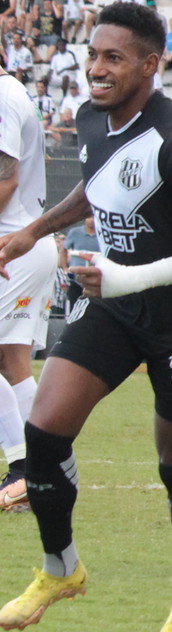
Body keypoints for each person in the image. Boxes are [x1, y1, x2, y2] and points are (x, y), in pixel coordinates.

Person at [0, 4, 172, 632]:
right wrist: (33, 231)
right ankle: (61, 568)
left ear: (149, 64)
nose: (97, 68)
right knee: (44, 432)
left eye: (113, 57)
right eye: (93, 54)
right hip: (114, 304)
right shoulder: (92, 117)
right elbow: (96, 186)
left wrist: (134, 277)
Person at [0, 71, 53, 511]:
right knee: (12, 363)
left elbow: (6, 180)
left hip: (12, 243)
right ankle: (40, 470)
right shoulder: (14, 90)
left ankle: (25, 469)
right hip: (25, 241)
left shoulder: (1, 96)